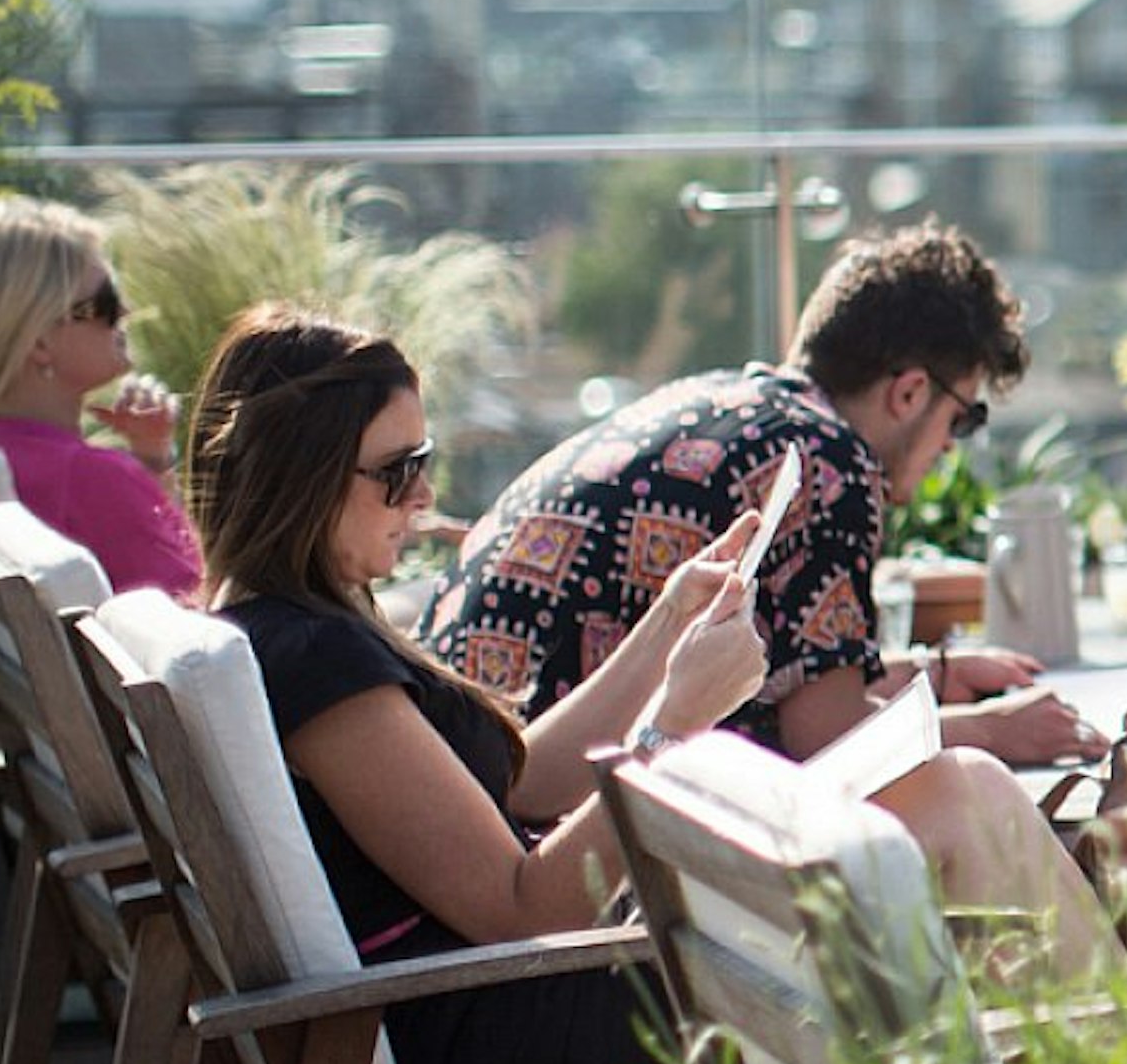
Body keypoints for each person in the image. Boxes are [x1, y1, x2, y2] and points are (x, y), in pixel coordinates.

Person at [190, 311, 1114, 1064]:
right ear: (304, 476)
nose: (420, 500)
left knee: (945, 817)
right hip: (504, 1041)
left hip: (509, 1000)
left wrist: (664, 627)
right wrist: (675, 721)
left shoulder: (295, 627)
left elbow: (521, 784)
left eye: (422, 465)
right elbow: (525, 908)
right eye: (395, 474)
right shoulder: (316, 665)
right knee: (963, 804)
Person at [430, 221, 1090, 768]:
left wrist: (932, 675)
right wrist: (996, 733)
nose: (953, 444)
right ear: (910, 392)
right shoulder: (830, 464)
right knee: (957, 799)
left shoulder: (734, 406)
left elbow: (788, 681)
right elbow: (827, 740)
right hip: (528, 810)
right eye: (963, 417)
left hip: (458, 774)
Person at [0, 194, 201, 597]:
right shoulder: (93, 482)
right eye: (106, 302)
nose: (125, 311)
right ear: (40, 342)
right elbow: (202, 630)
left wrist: (153, 459)